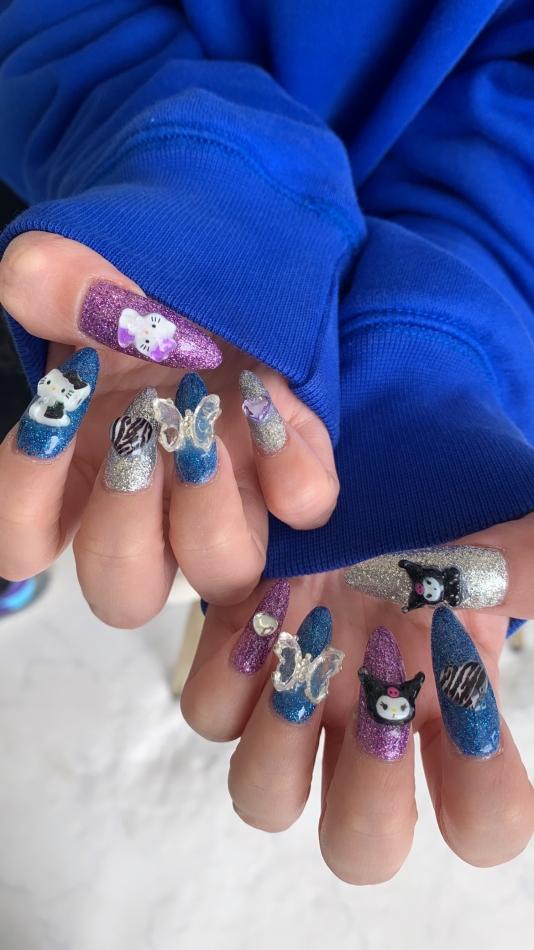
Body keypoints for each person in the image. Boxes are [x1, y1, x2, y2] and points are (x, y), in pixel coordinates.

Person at [1, 0, 534, 882]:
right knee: (49, 449)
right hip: (91, 208)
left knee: (92, 486)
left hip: (141, 263)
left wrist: (427, 391)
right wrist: (202, 205)